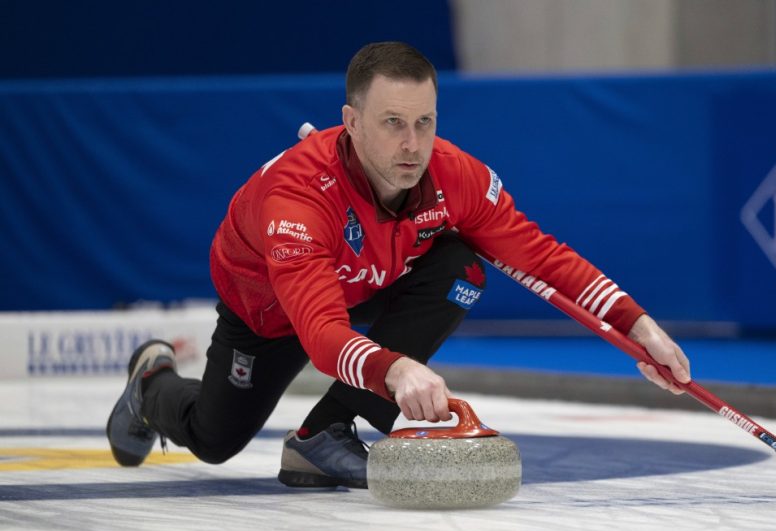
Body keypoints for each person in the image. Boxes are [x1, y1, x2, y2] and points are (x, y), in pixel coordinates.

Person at [107, 41, 692, 488]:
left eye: (424, 123)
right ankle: (151, 384)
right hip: (273, 309)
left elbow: (540, 257)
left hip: (370, 278)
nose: (412, 145)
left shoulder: (452, 173)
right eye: (392, 123)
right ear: (352, 121)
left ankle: (321, 434)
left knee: (464, 266)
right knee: (215, 439)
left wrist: (642, 330)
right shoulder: (299, 199)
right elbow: (321, 336)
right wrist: (396, 371)